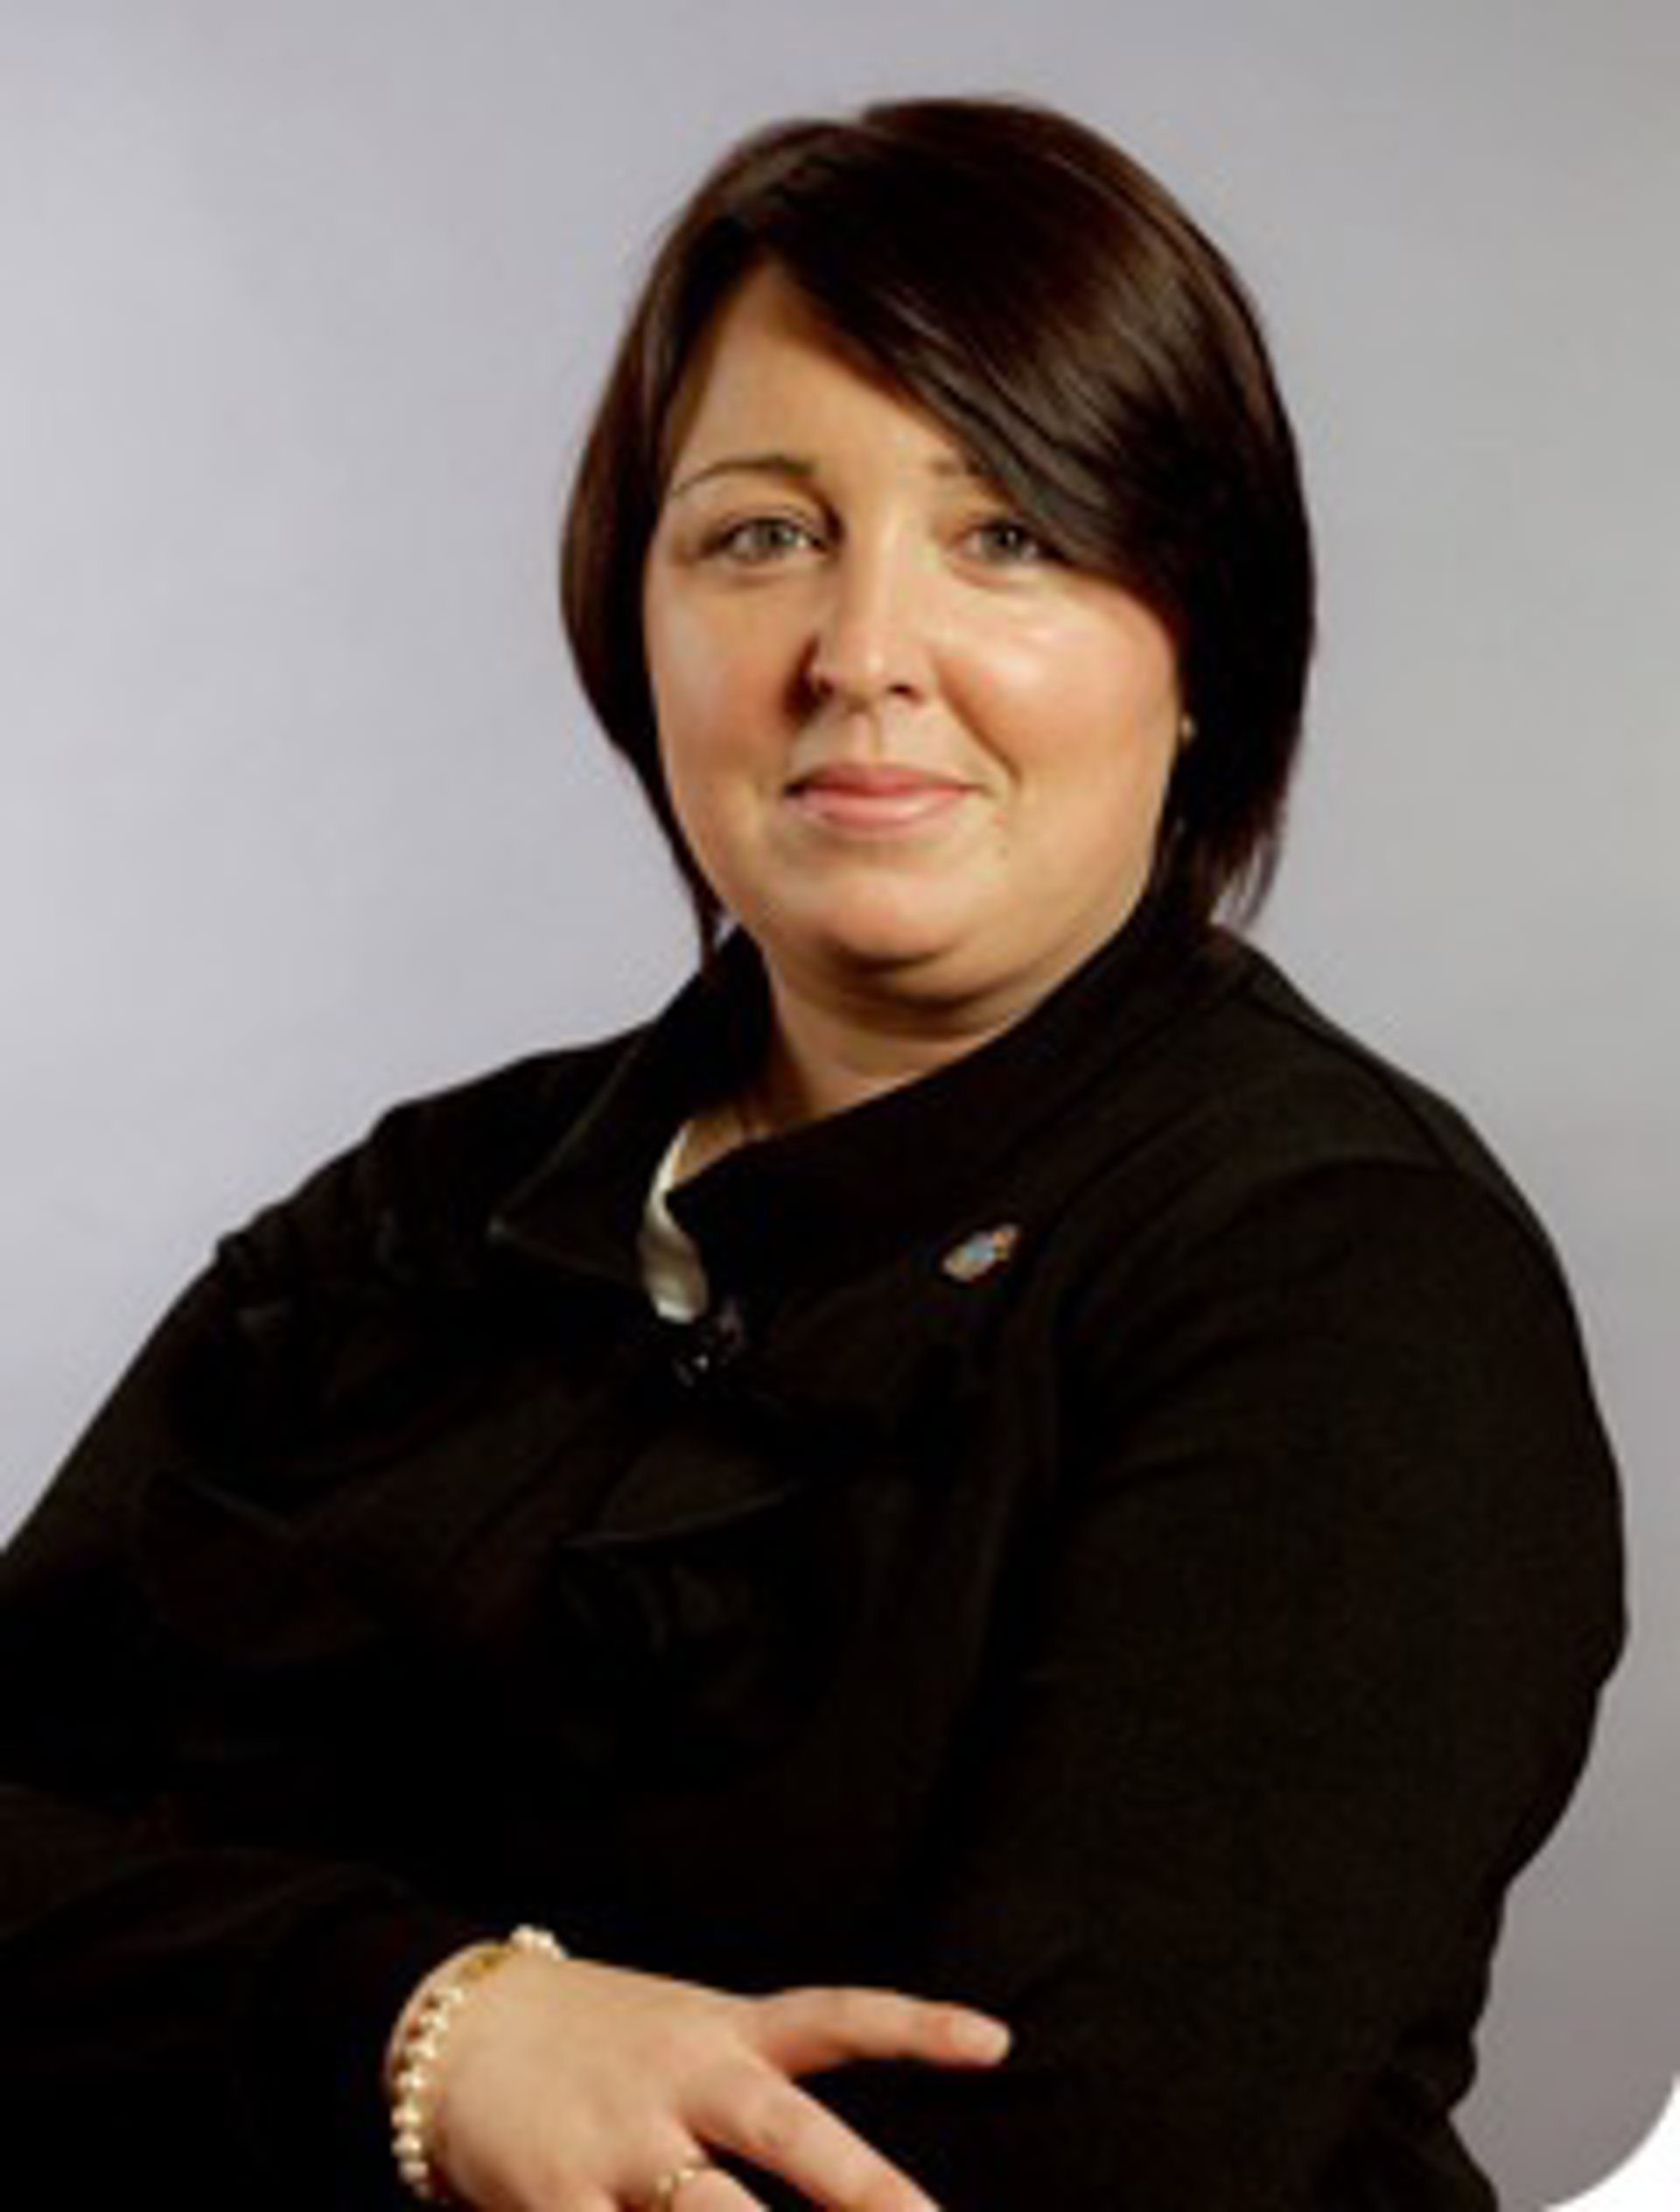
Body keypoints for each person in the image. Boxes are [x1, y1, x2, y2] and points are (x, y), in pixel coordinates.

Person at [0, 96, 1622, 2212]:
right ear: (634, 612)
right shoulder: (422, 1217)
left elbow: (1025, 2171)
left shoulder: (1341, 1273)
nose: (862, 654)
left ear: (1201, 647)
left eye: (1009, 536)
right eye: (762, 535)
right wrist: (434, 2029)